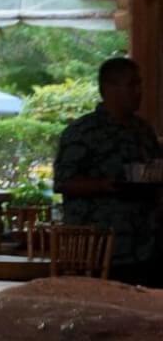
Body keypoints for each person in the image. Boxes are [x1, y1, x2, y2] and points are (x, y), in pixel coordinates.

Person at [53, 57, 162, 286]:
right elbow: (63, 182)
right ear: (109, 88)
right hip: (100, 250)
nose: (139, 91)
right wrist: (105, 185)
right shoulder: (82, 132)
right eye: (133, 84)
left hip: (146, 246)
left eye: (139, 84)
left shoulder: (142, 131)